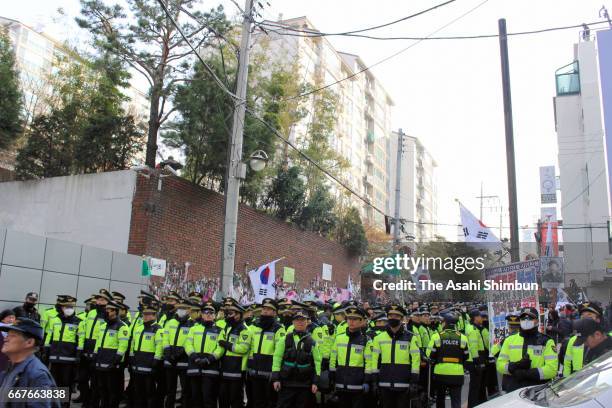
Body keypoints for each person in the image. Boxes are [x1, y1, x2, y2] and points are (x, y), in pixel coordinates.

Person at [496, 307, 558, 392]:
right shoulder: (509, 340)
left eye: (530, 318)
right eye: (523, 318)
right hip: (514, 389)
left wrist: (526, 373)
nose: (526, 320)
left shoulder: (546, 341)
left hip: (537, 389)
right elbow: (499, 365)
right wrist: (514, 366)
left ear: (537, 321)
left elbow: (552, 370)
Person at [0, 318, 58, 408]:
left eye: (13, 335)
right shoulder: (10, 367)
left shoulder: (37, 375)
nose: (6, 339)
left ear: (29, 342)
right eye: (7, 334)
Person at [371, 304, 421, 408]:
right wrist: (374, 381)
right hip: (384, 384)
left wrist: (414, 382)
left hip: (403, 384)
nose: (393, 318)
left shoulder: (411, 338)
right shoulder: (378, 338)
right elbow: (374, 361)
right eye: (390, 315)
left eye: (396, 316)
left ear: (402, 319)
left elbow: (415, 361)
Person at [271, 308, 321, 408]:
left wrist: (315, 382)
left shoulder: (312, 342)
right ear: (293, 322)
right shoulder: (284, 339)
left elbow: (317, 362)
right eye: (297, 320)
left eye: (303, 320)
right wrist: (275, 379)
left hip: (304, 384)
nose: (300, 322)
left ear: (307, 322)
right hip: (286, 383)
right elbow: (277, 358)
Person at [185, 300, 224, 408]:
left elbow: (220, 349)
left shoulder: (220, 331)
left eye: (211, 312)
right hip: (195, 367)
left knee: (209, 399)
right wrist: (194, 357)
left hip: (211, 368)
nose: (208, 314)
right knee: (196, 398)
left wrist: (209, 359)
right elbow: (188, 344)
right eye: (206, 312)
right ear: (201, 314)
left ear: (215, 315)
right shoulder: (193, 329)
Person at [330, 306, 371, 408]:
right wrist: (332, 377)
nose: (351, 321)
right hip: (340, 383)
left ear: (361, 321)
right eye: (349, 319)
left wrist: (367, 381)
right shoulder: (339, 338)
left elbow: (369, 363)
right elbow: (333, 359)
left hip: (357, 385)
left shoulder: (366, 340)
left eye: (355, 319)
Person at [426, 313, 471, 408]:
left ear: (444, 323)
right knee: (456, 401)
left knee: (440, 399)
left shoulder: (437, 336)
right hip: (457, 374)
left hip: (440, 373)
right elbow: (467, 356)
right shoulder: (462, 337)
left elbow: (429, 354)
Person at [248, 298, 286, 408]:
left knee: (270, 402)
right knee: (257, 402)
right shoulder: (255, 326)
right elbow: (251, 347)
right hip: (254, 372)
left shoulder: (279, 329)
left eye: (269, 309)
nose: (265, 311)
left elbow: (280, 352)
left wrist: (276, 373)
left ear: (274, 313)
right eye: (264, 308)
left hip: (269, 373)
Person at [45, 295, 81, 407]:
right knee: (55, 384)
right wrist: (46, 351)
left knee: (66, 385)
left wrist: (78, 355)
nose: (69, 308)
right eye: (66, 306)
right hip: (55, 357)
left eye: (71, 306)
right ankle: (55, 404)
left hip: (69, 359)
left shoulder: (78, 322)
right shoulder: (54, 319)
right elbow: (49, 336)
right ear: (62, 307)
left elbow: (80, 340)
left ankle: (64, 405)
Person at [94, 300, 130, 408]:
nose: (106, 311)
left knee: (112, 391)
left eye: (109, 310)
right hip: (101, 363)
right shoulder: (103, 325)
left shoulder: (122, 326)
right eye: (106, 309)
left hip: (112, 365)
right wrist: (95, 355)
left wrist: (116, 359)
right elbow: (98, 342)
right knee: (102, 389)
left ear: (115, 311)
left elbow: (123, 345)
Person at [130, 298, 163, 408]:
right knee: (138, 392)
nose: (146, 316)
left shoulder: (158, 329)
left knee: (150, 392)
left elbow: (159, 346)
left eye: (149, 314)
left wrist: (156, 360)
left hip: (150, 365)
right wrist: (131, 356)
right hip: (138, 364)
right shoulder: (139, 329)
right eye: (144, 314)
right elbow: (133, 344)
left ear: (154, 315)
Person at [218, 298, 252, 408]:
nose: (228, 316)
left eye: (231, 313)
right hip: (225, 368)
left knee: (236, 399)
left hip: (237, 369)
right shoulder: (227, 327)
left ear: (238, 315)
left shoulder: (245, 329)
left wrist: (227, 344)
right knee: (223, 398)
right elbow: (219, 341)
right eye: (227, 313)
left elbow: (243, 348)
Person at [162, 300, 193, 408]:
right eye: (179, 308)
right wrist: (168, 352)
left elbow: (189, 342)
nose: (181, 311)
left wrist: (179, 354)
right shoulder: (170, 322)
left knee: (185, 390)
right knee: (170, 390)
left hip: (183, 361)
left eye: (184, 309)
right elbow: (165, 338)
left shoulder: (191, 324)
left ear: (188, 310)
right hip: (170, 360)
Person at [562, 302, 604, 377]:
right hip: (577, 383)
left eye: (589, 315)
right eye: (583, 316)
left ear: (598, 319)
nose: (585, 319)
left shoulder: (607, 338)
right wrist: (565, 383)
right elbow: (567, 363)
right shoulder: (573, 339)